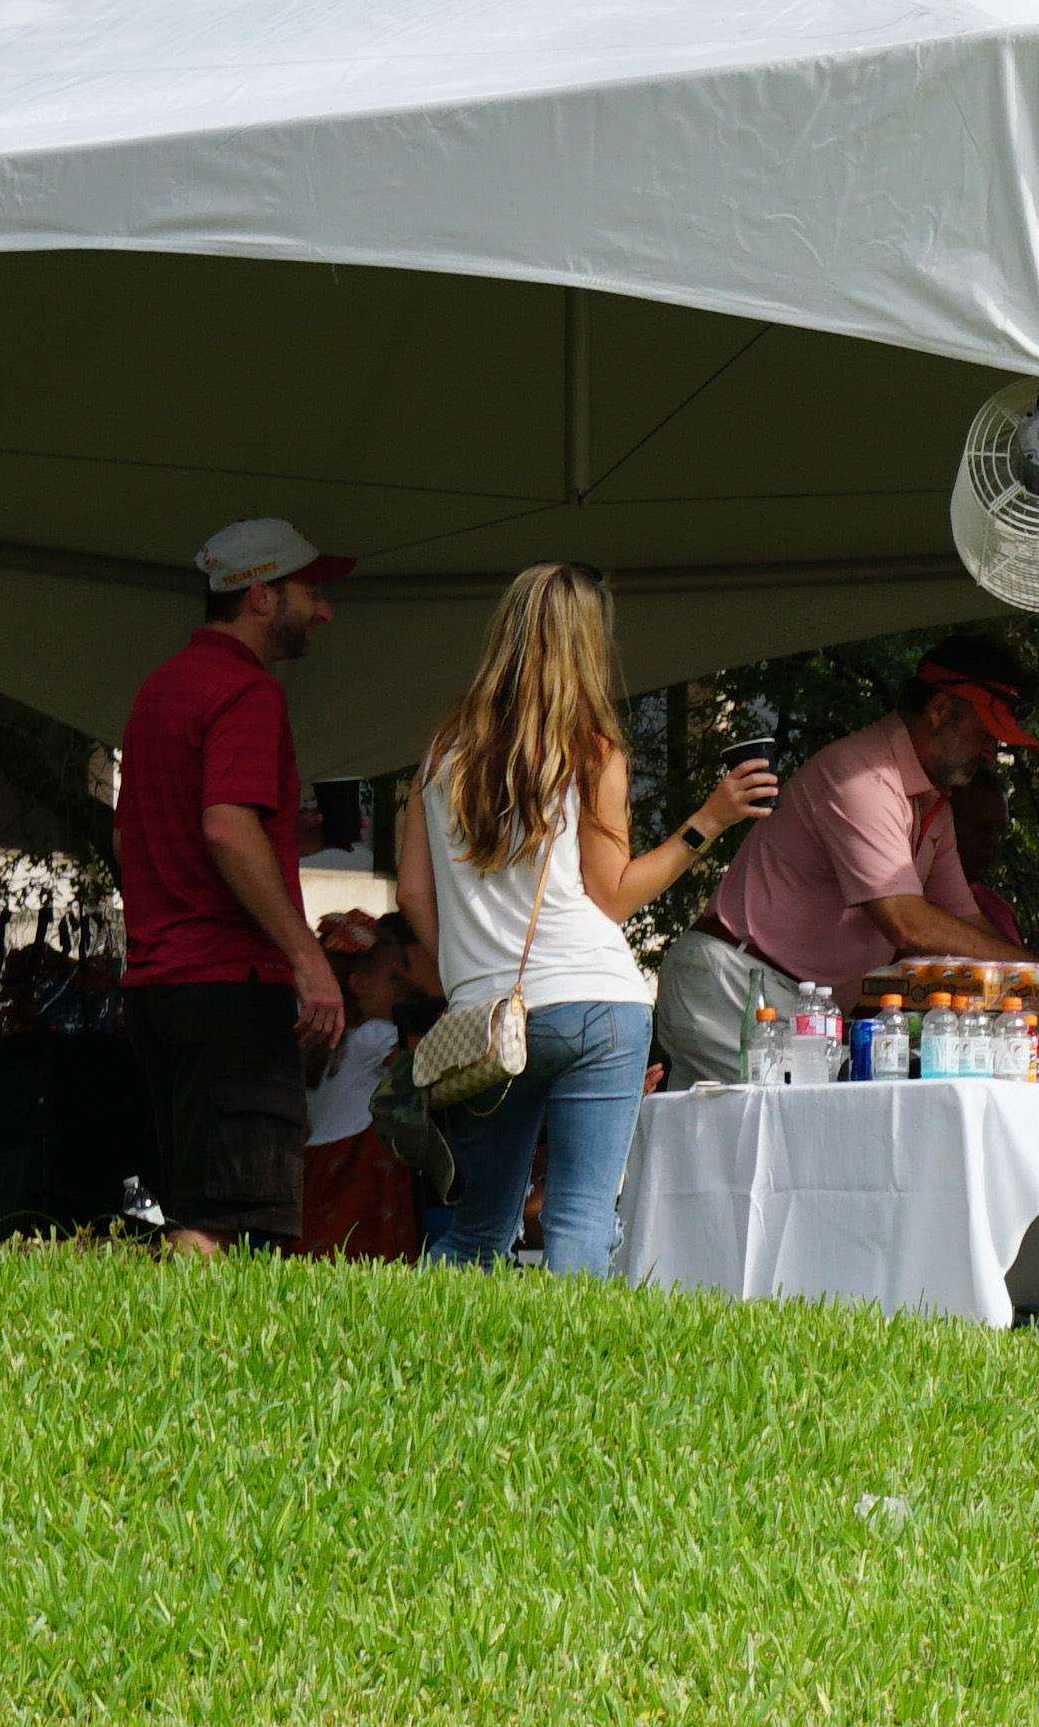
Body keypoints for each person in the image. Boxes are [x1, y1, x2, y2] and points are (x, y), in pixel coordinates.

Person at [400, 567, 766, 1275]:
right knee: (580, 1214)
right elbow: (615, 898)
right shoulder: (592, 749)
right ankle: (578, 1370)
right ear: (588, 645)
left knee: (478, 1226)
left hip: (489, 1024)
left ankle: (429, 1363)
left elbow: (414, 895)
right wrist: (709, 821)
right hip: (598, 1006)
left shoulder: (442, 753)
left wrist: (475, 974)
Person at [117, 512, 355, 1255]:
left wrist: (290, 834)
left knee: (195, 1203)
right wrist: (310, 960)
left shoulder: (161, 688)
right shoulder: (247, 692)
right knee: (232, 1223)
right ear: (259, 595)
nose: (323, 609)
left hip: (159, 987)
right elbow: (224, 827)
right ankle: (199, 1370)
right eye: (308, 589)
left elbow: (134, 836)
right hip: (231, 982)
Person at [661, 640, 1035, 1085]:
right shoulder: (864, 776)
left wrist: (1037, 978)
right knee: (784, 1145)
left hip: (784, 998)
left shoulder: (932, 802)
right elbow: (907, 923)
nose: (992, 751)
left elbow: (965, 921)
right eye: (986, 733)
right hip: (735, 985)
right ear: (939, 710)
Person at [296, 909, 435, 1265]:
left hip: (314, 1171)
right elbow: (440, 1054)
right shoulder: (375, 1039)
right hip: (355, 1175)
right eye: (395, 977)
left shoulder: (322, 1040)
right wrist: (433, 984)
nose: (406, 986)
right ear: (359, 985)